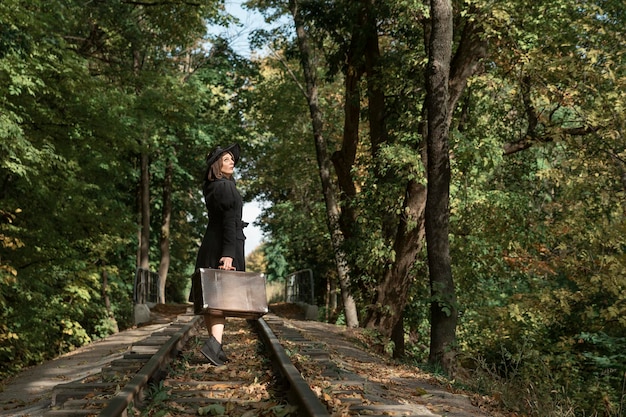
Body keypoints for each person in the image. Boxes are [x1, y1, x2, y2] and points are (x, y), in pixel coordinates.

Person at [194, 143, 246, 366]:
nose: (232, 161)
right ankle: (213, 346)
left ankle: (216, 347)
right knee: (220, 299)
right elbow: (227, 222)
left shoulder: (214, 186)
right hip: (223, 246)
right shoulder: (225, 187)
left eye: (232, 159)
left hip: (214, 243)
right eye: (226, 159)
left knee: (214, 298)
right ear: (217, 166)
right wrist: (228, 255)